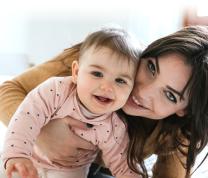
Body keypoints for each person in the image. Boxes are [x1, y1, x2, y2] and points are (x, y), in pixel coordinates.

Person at [0, 25, 208, 178]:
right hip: (29, 150)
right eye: (151, 68)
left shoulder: (179, 133)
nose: (142, 91)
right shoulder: (100, 60)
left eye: (170, 95)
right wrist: (42, 133)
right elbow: (7, 89)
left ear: (184, 111)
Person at [1, 28, 142, 178]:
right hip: (28, 154)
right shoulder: (55, 90)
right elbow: (25, 117)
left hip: (68, 170)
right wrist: (17, 155)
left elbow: (123, 165)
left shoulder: (115, 127)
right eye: (97, 74)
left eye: (120, 81)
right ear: (76, 72)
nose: (107, 87)